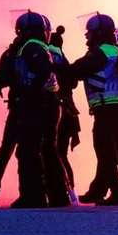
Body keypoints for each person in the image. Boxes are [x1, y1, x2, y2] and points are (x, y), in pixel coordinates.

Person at [60, 14, 118, 205]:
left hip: (106, 108)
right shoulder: (116, 50)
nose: (87, 36)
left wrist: (56, 66)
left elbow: (77, 70)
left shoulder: (99, 52)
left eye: (90, 32)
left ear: (99, 33)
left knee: (105, 151)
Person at [9, 12, 70, 208]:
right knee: (49, 150)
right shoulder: (44, 47)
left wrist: (29, 93)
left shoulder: (31, 47)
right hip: (50, 102)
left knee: (28, 150)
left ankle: (32, 195)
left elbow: (43, 72)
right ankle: (59, 196)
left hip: (38, 104)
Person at [0, 19, 25, 208]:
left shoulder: (12, 52)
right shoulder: (35, 50)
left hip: (18, 105)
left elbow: (1, 75)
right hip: (28, 107)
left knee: (7, 149)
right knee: (22, 150)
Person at [47, 26, 81, 196]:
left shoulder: (48, 58)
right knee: (62, 153)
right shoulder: (65, 61)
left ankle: (60, 190)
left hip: (55, 111)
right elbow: (73, 83)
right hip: (69, 113)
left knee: (52, 152)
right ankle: (70, 191)